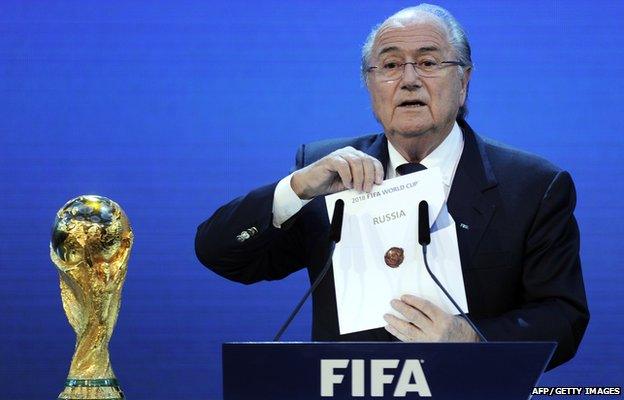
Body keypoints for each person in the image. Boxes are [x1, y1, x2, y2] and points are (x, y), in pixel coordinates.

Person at [195, 4, 589, 369]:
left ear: (464, 80)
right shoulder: (326, 174)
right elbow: (222, 255)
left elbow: (562, 316)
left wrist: (472, 339)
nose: (409, 80)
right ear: (370, 85)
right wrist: (295, 189)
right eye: (390, 65)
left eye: (429, 62)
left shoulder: (533, 186)